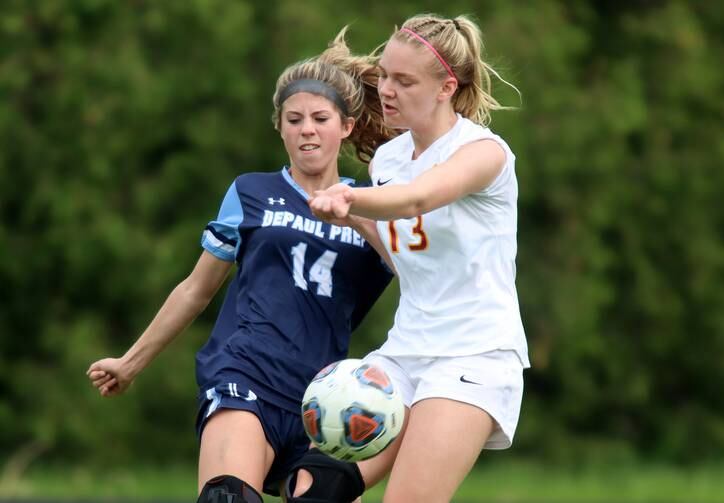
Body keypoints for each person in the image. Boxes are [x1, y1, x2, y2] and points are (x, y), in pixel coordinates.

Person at [86, 30, 397, 503]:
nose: (306, 129)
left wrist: (353, 208)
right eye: (294, 119)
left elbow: (417, 274)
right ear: (279, 126)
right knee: (228, 497)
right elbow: (196, 288)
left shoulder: (376, 202)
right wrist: (130, 363)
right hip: (246, 373)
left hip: (326, 399)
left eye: (319, 118)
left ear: (346, 127)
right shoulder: (252, 192)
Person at [308, 13, 530, 503]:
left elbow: (416, 199)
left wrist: (351, 199)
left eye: (403, 80)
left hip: (474, 355)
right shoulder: (390, 159)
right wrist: (359, 221)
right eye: (385, 74)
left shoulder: (484, 153)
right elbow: (404, 255)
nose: (386, 89)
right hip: (405, 353)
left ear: (445, 87)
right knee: (313, 490)